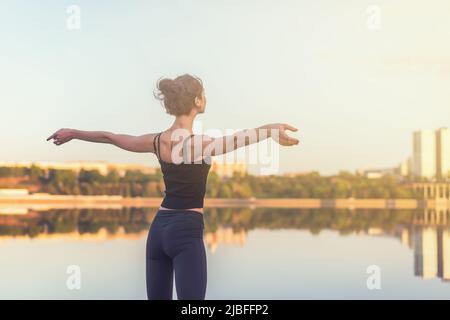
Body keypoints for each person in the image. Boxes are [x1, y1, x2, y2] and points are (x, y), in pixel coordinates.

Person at [46, 73, 299, 300]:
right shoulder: (200, 144)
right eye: (203, 95)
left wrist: (74, 133)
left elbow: (111, 138)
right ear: (198, 102)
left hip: (158, 230)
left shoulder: (157, 142)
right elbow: (241, 138)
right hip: (186, 231)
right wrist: (272, 130)